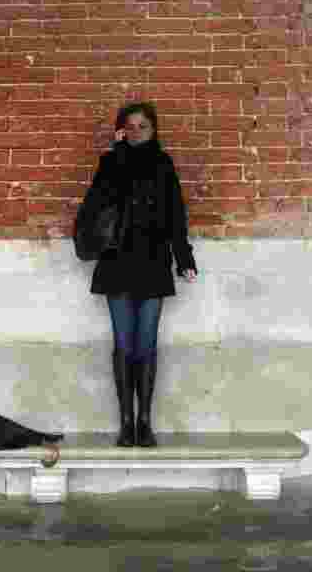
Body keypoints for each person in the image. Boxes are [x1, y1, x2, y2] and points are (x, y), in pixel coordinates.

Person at [81, 102, 198, 448]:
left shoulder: (163, 165)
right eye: (128, 127)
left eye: (142, 126)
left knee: (146, 343)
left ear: (154, 129)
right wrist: (117, 153)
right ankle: (126, 423)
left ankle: (145, 421)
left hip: (152, 262)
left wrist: (184, 257)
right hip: (117, 262)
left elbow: (176, 214)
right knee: (123, 344)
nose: (136, 132)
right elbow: (99, 201)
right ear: (120, 131)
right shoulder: (110, 163)